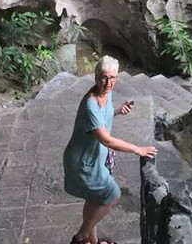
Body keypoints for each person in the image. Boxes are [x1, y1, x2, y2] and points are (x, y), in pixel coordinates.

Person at [63, 55, 157, 244]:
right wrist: (137, 149)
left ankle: (94, 241)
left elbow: (102, 117)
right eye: (104, 77)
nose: (108, 82)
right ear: (96, 77)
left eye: (112, 78)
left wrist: (117, 111)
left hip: (94, 158)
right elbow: (107, 140)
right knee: (112, 196)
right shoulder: (90, 104)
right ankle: (80, 238)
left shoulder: (106, 94)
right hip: (83, 163)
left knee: (95, 199)